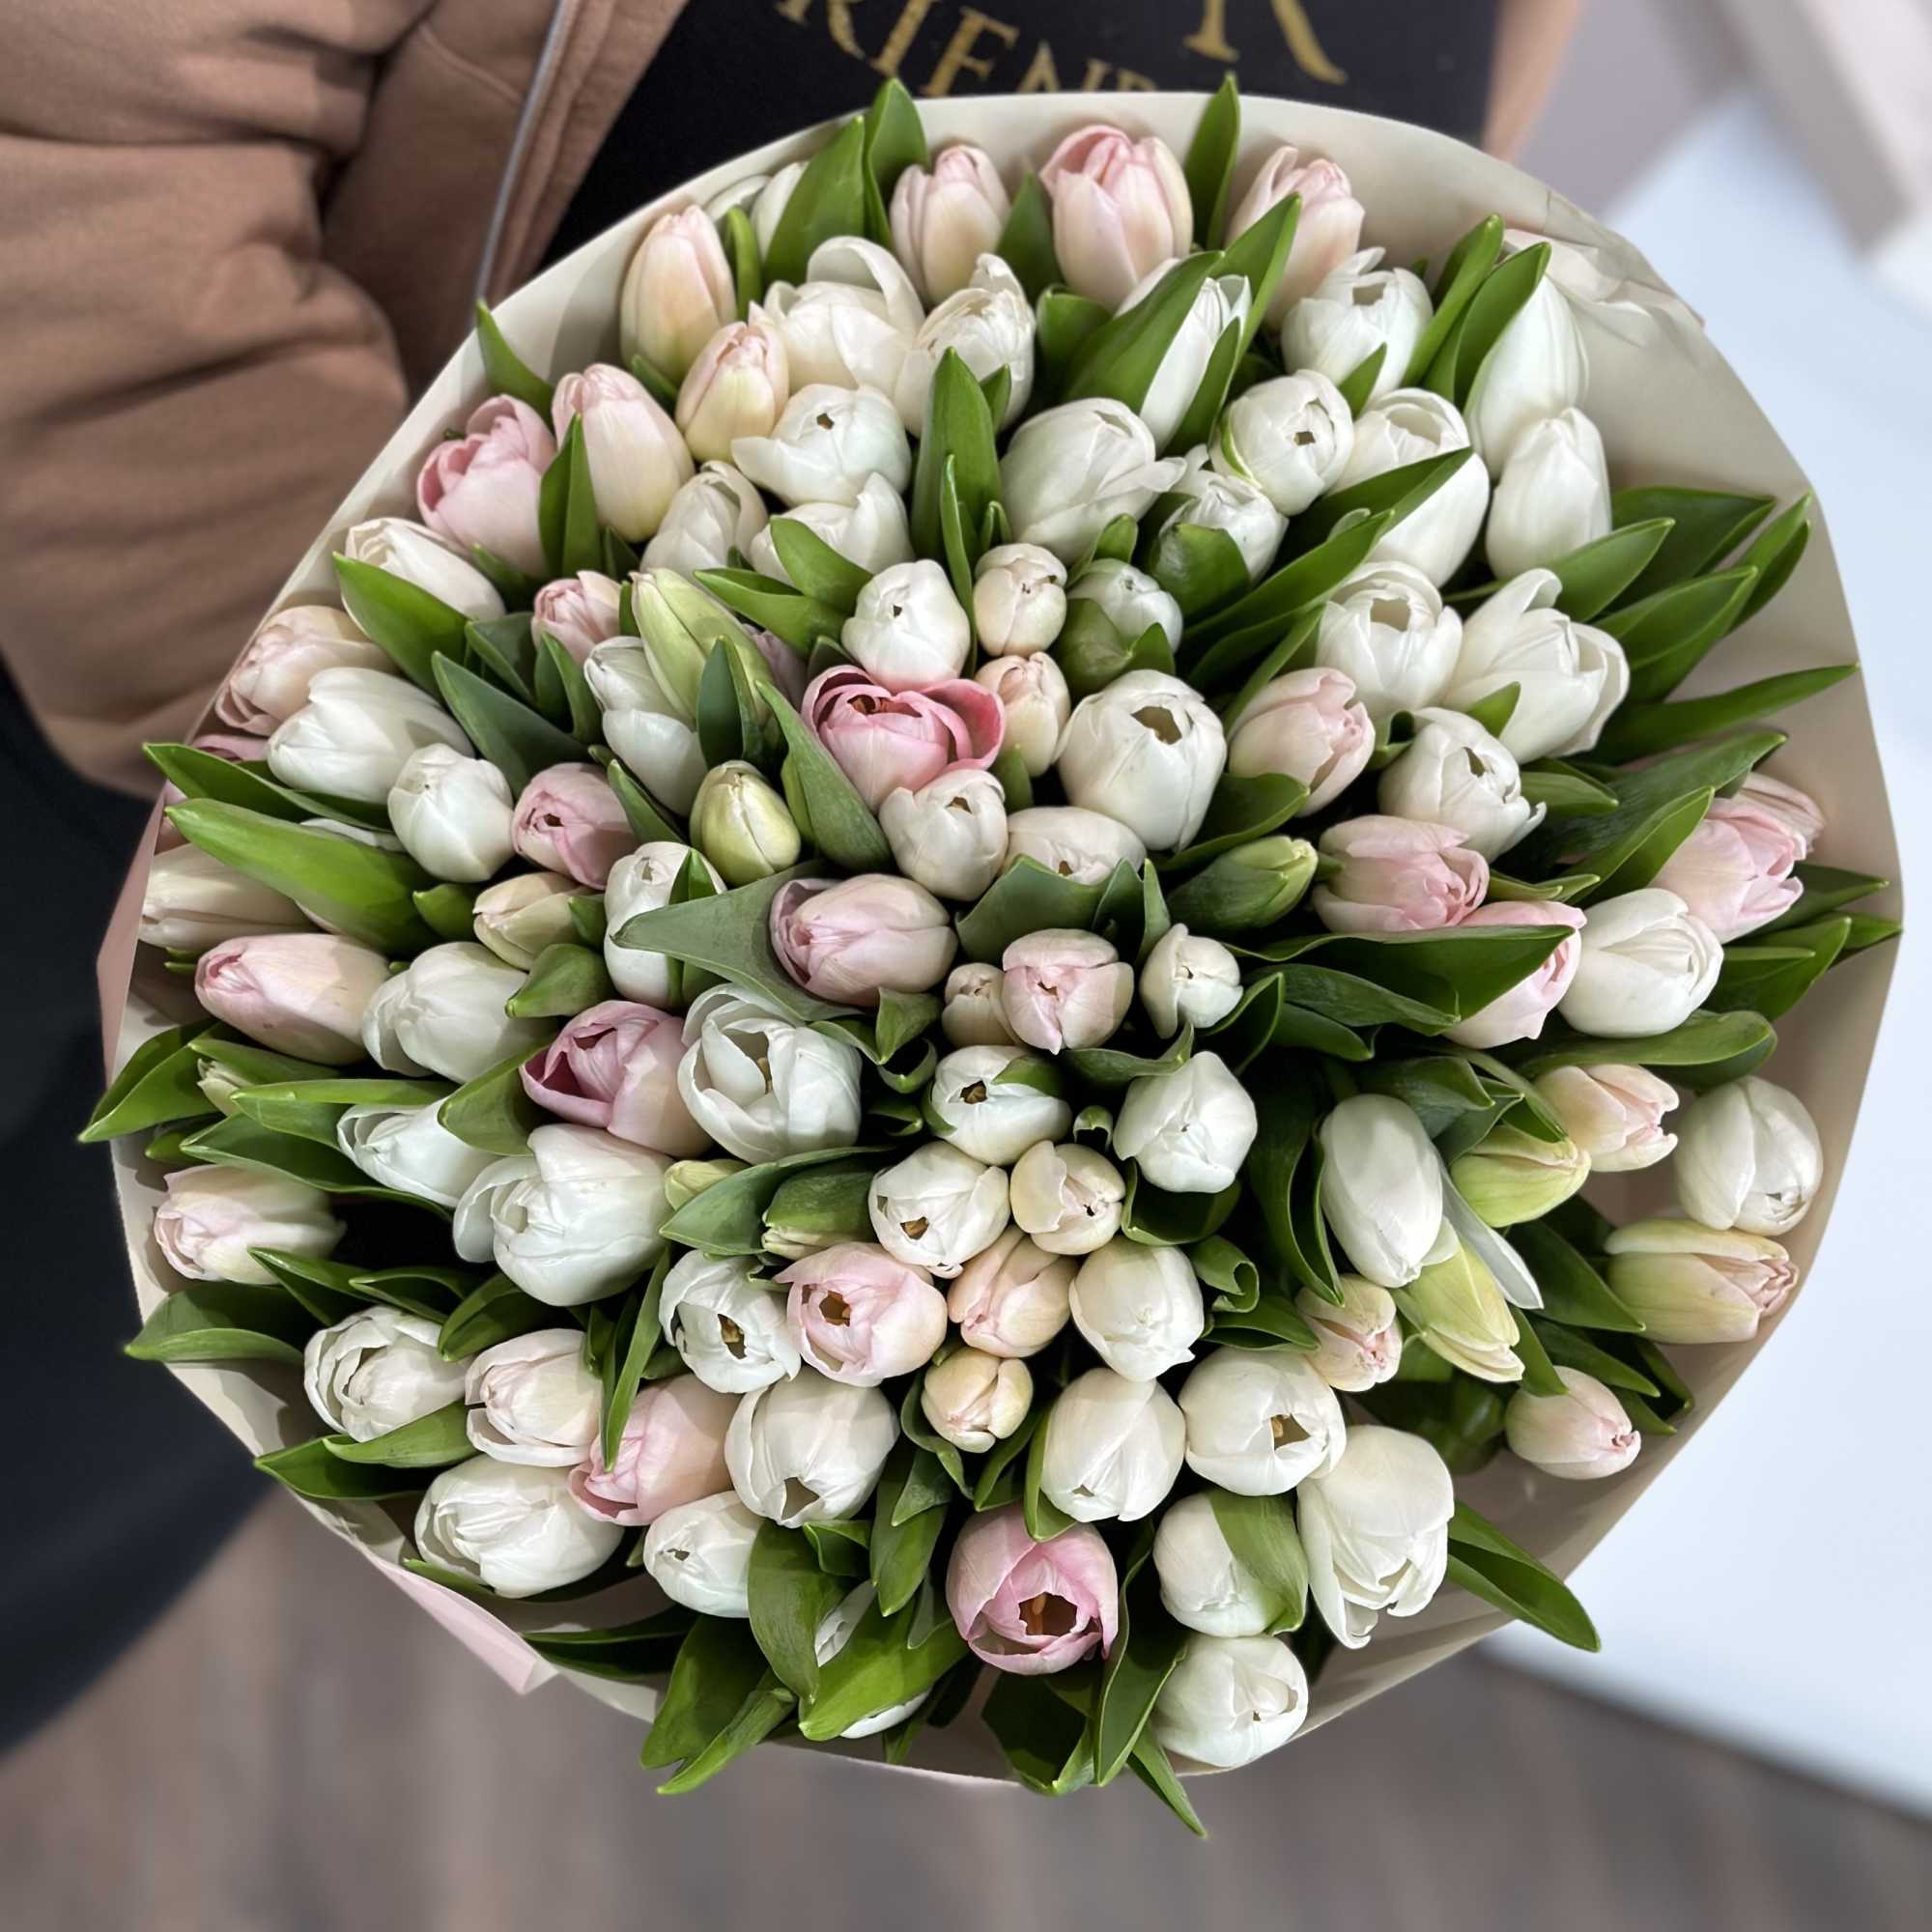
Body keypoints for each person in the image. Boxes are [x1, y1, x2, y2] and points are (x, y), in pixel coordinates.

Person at [0, 0, 1579, 1746]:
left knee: (81, 1458)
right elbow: (85, 125)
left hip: (445, 1041)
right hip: (174, 711)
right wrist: (307, 700)